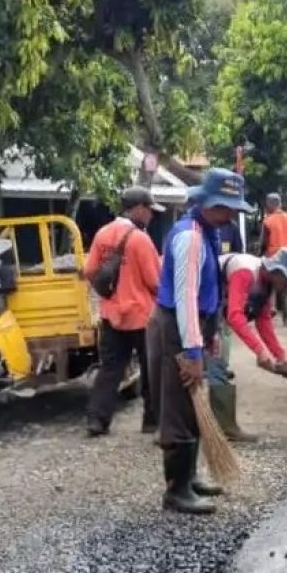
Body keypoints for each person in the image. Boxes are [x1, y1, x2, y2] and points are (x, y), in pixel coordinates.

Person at [153, 168, 255, 515]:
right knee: (181, 407)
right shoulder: (190, 238)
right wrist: (192, 350)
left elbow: (208, 291)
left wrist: (209, 335)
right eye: (226, 208)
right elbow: (185, 298)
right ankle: (176, 490)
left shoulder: (209, 231)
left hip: (195, 325)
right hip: (177, 327)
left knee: (195, 402)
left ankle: (190, 477)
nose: (231, 215)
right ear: (208, 203)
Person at [83, 186, 163, 436]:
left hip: (111, 315)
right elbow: (155, 281)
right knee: (151, 370)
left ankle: (97, 420)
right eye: (149, 210)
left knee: (110, 369)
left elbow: (89, 271)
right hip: (141, 316)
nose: (151, 215)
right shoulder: (141, 239)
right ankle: (151, 421)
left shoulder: (102, 234)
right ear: (138, 208)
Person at [209, 247, 287, 442]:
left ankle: (217, 424)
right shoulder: (246, 272)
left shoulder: (267, 283)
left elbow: (263, 321)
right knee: (217, 366)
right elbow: (235, 316)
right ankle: (224, 429)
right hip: (205, 307)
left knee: (217, 364)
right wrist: (260, 351)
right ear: (277, 271)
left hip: (218, 309)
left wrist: (281, 356)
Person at [258, 193, 287, 326]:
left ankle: (271, 309)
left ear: (268, 205)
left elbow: (263, 242)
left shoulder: (268, 221)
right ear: (279, 204)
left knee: (270, 285)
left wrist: (259, 257)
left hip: (272, 256)